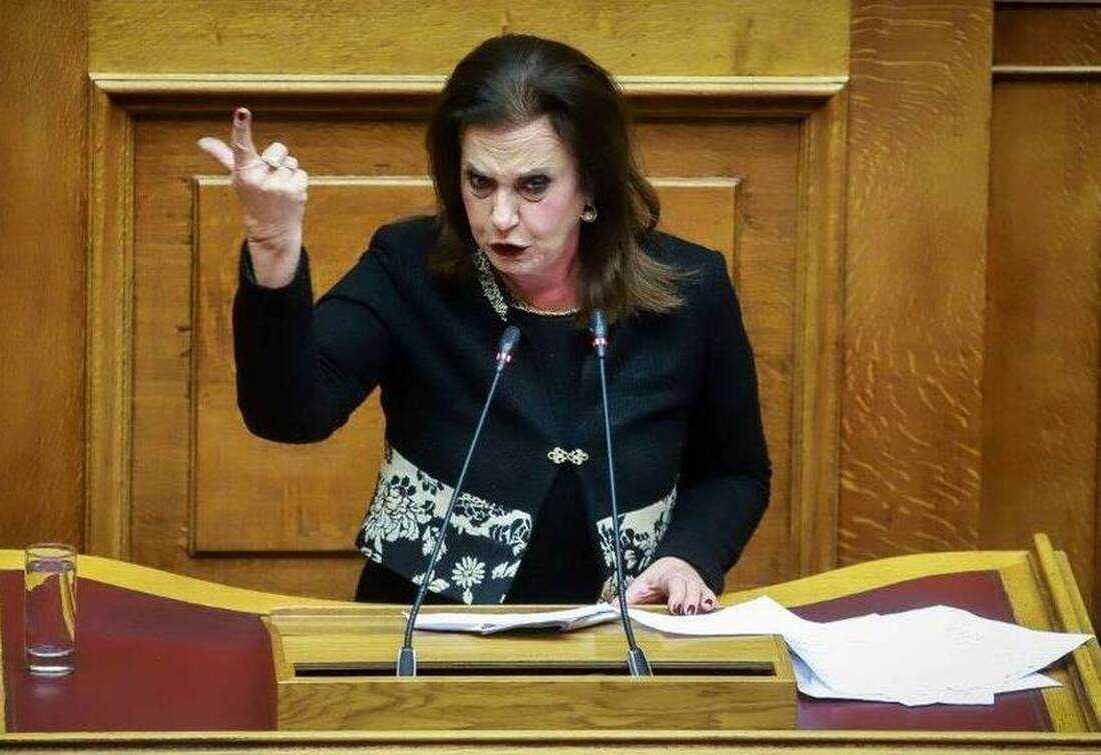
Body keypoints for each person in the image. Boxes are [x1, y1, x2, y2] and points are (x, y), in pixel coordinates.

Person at [197, 34, 770, 615]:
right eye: (480, 183)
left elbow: (735, 472)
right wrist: (273, 247)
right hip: (425, 631)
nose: (501, 218)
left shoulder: (691, 288)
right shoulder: (407, 266)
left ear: (591, 184)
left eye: (533, 185)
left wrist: (690, 556)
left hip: (623, 629)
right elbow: (288, 414)